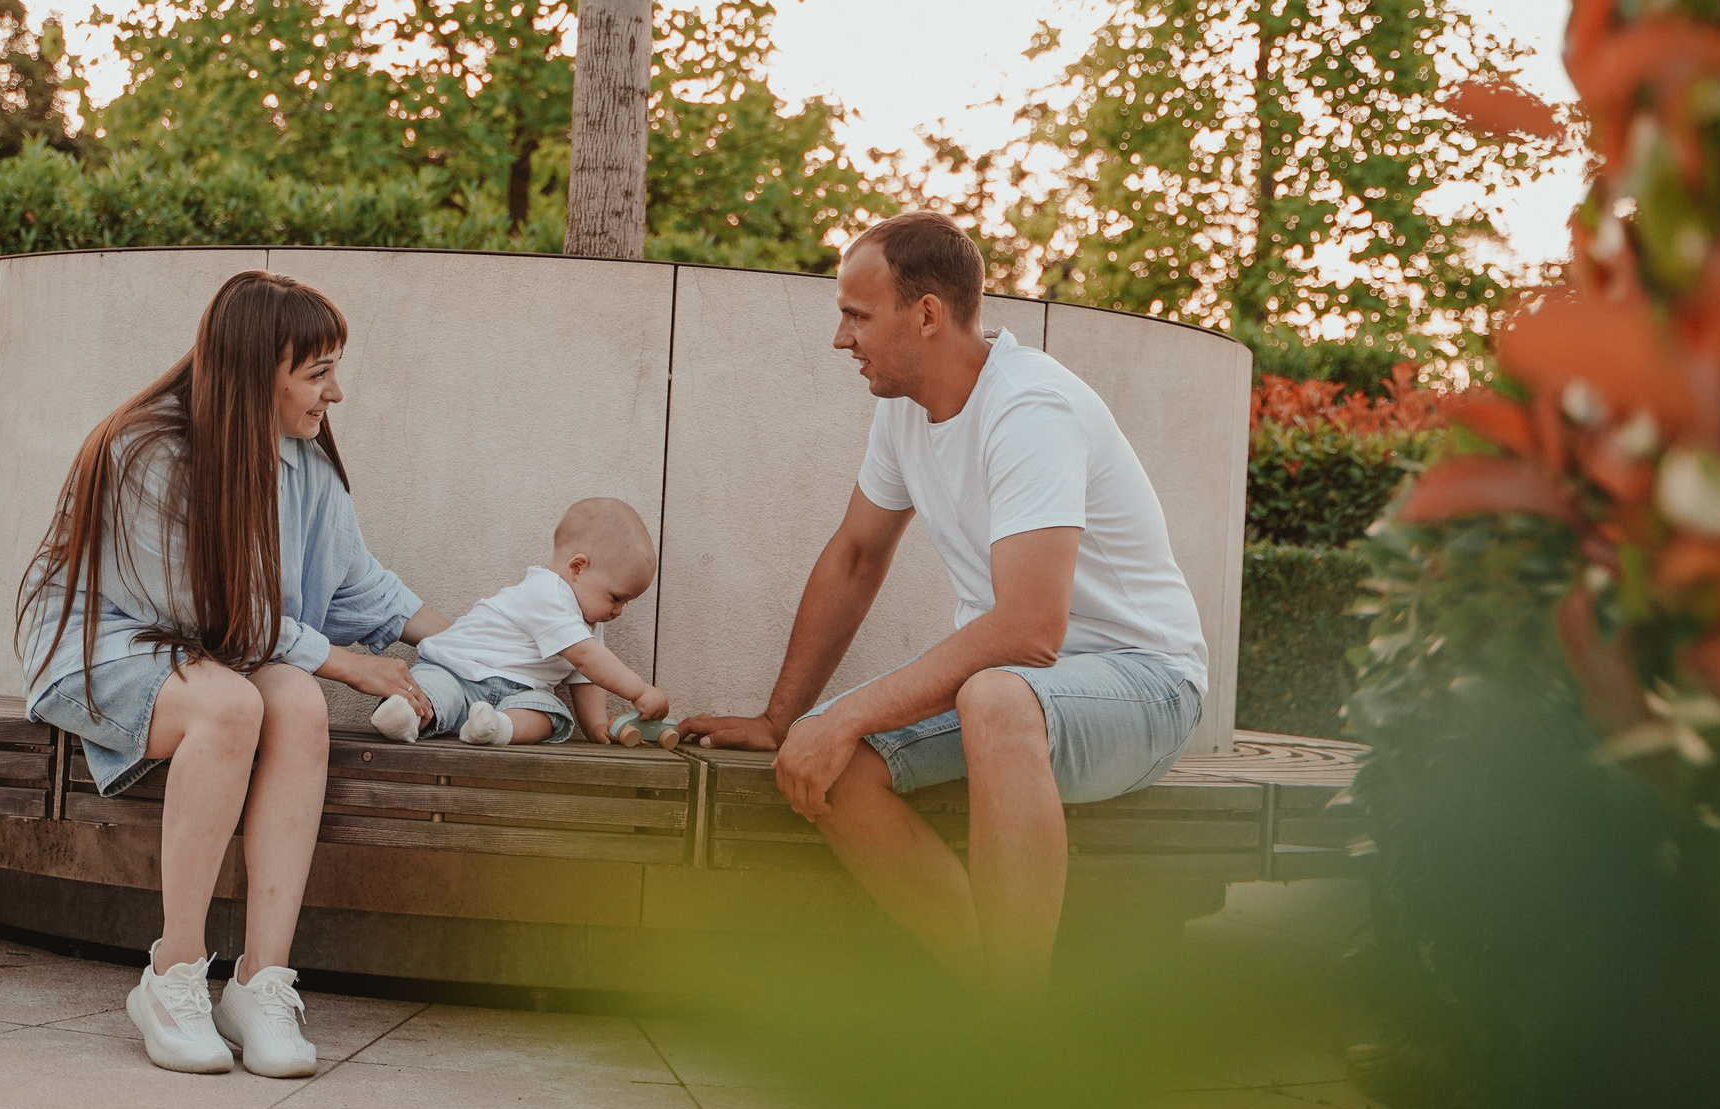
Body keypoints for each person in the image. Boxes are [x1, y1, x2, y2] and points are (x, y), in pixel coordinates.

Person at [674, 212, 1207, 1000]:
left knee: (992, 694)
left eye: (857, 315)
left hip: (1145, 684)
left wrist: (848, 711)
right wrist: (786, 718)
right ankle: (990, 998)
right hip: (1018, 696)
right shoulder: (903, 410)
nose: (840, 339)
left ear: (924, 314)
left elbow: (1029, 629)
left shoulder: (1030, 410)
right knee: (828, 769)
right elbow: (856, 557)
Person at [16, 270, 453, 1077]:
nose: (336, 392)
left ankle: (259, 980)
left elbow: (362, 590)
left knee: (296, 702)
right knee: (230, 707)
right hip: (106, 647)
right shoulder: (144, 451)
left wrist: (476, 648)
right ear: (259, 370)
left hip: (219, 653)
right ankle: (173, 975)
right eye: (318, 372)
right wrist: (352, 665)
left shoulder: (304, 467)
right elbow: (210, 613)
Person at [368, 497, 670, 747]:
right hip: (457, 672)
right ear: (578, 567)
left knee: (549, 713)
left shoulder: (589, 621)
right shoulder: (548, 592)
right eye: (616, 598)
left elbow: (587, 677)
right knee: (433, 694)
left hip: (516, 695)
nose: (618, 611)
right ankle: (404, 716)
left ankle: (495, 727)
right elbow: (587, 659)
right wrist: (639, 691)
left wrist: (596, 725)